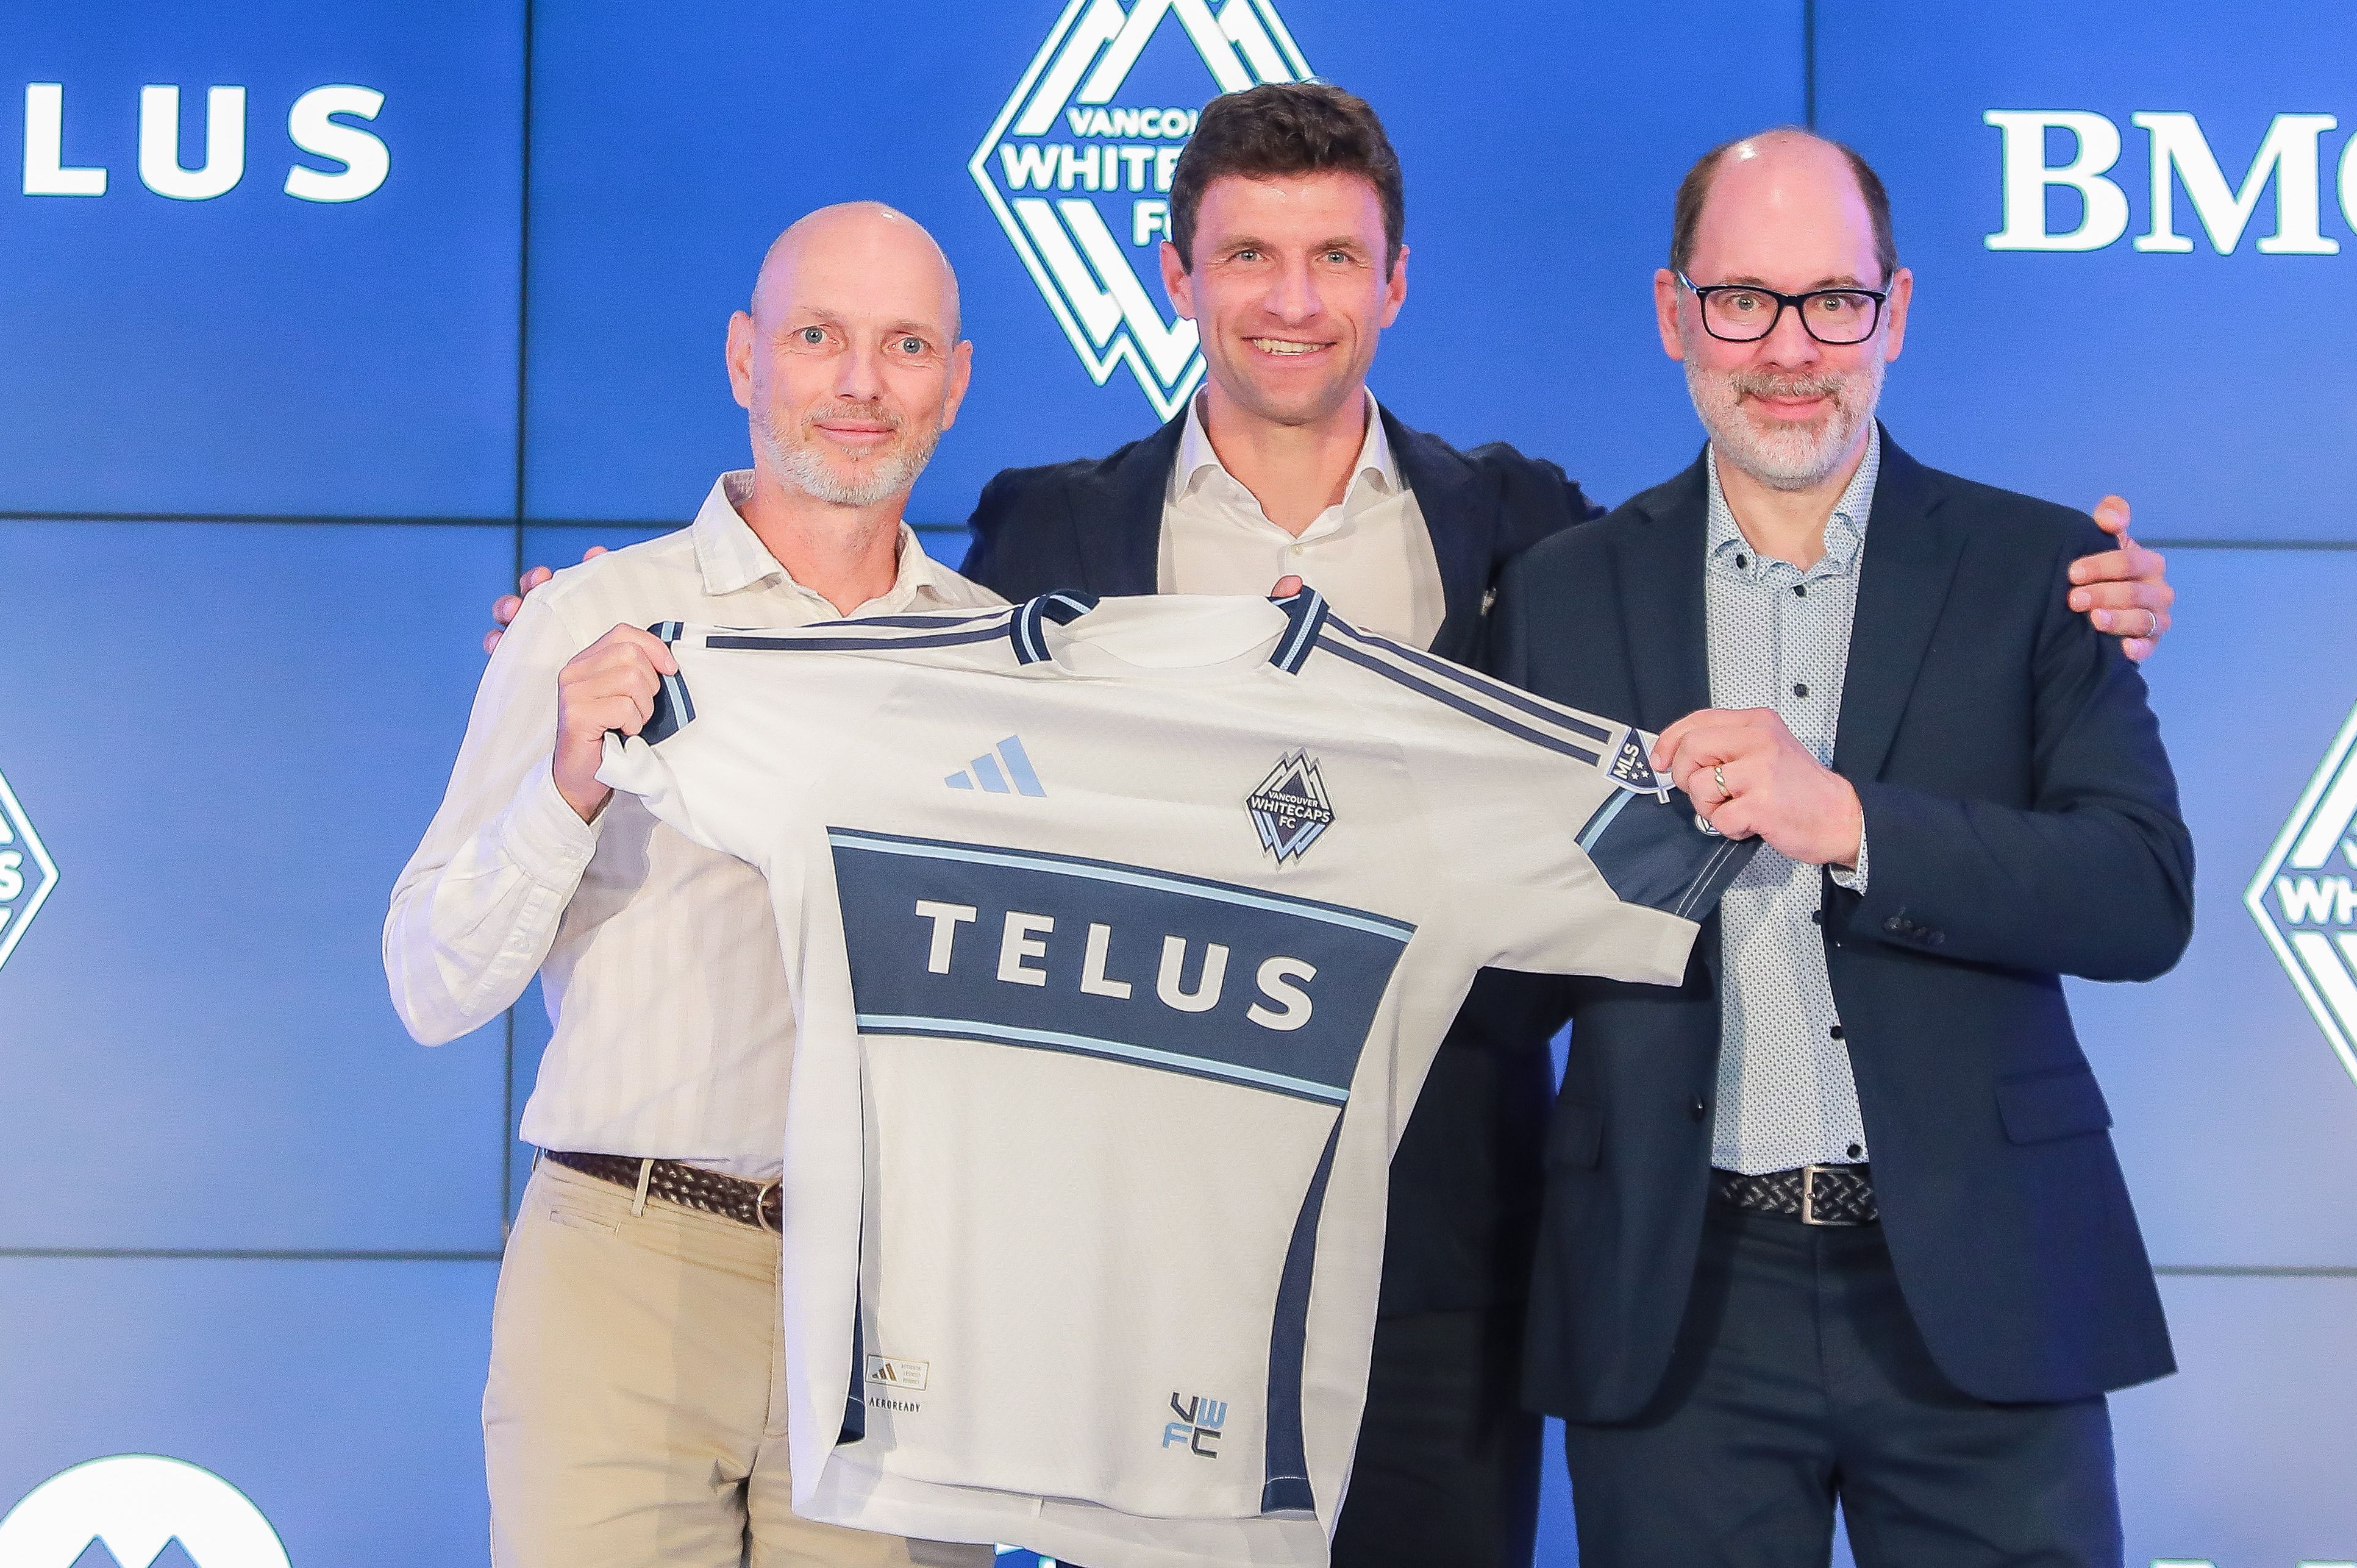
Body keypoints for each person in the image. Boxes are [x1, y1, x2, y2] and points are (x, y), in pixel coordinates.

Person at [493, 85, 2180, 1568]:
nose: (1289, 302)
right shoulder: (1044, 526)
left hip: (1450, 1235)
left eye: (1332, 260)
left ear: (1393, 282)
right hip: (1126, 1240)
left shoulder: (1533, 534)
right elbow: (886, 692)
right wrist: (633, 642)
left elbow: (1570, 824)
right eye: (1246, 258)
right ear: (1178, 278)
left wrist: (2088, 601)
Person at [1491, 127, 2191, 1567]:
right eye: (1744, 298)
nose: (1791, 348)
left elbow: (2140, 894)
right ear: (1676, 312)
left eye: (1834, 300)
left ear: (1900, 311)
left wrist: (1855, 825)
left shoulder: (2045, 569)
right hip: (1676, 1304)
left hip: (1982, 1285)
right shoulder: (1562, 593)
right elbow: (1510, 959)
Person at [387, 203, 994, 1568]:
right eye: (817, 337)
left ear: (954, 381)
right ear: (743, 359)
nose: (858, 382)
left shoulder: (1004, 669)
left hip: (900, 1302)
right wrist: (566, 781)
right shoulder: (584, 622)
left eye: (904, 345)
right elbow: (430, 983)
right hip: (623, 1257)